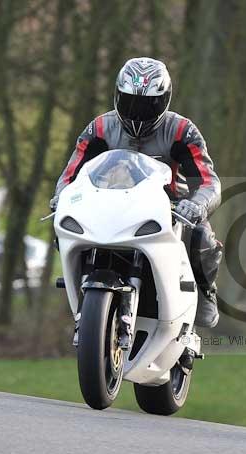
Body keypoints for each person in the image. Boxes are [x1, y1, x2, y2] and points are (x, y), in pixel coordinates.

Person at [52, 57, 222, 328]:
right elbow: (70, 175)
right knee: (63, 222)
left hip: (168, 209)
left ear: (164, 100)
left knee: (201, 234)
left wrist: (196, 205)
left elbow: (207, 182)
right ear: (117, 96)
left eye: (147, 105)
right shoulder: (98, 129)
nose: (137, 113)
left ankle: (204, 290)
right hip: (108, 205)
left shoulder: (182, 131)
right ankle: (78, 278)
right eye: (130, 103)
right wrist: (61, 198)